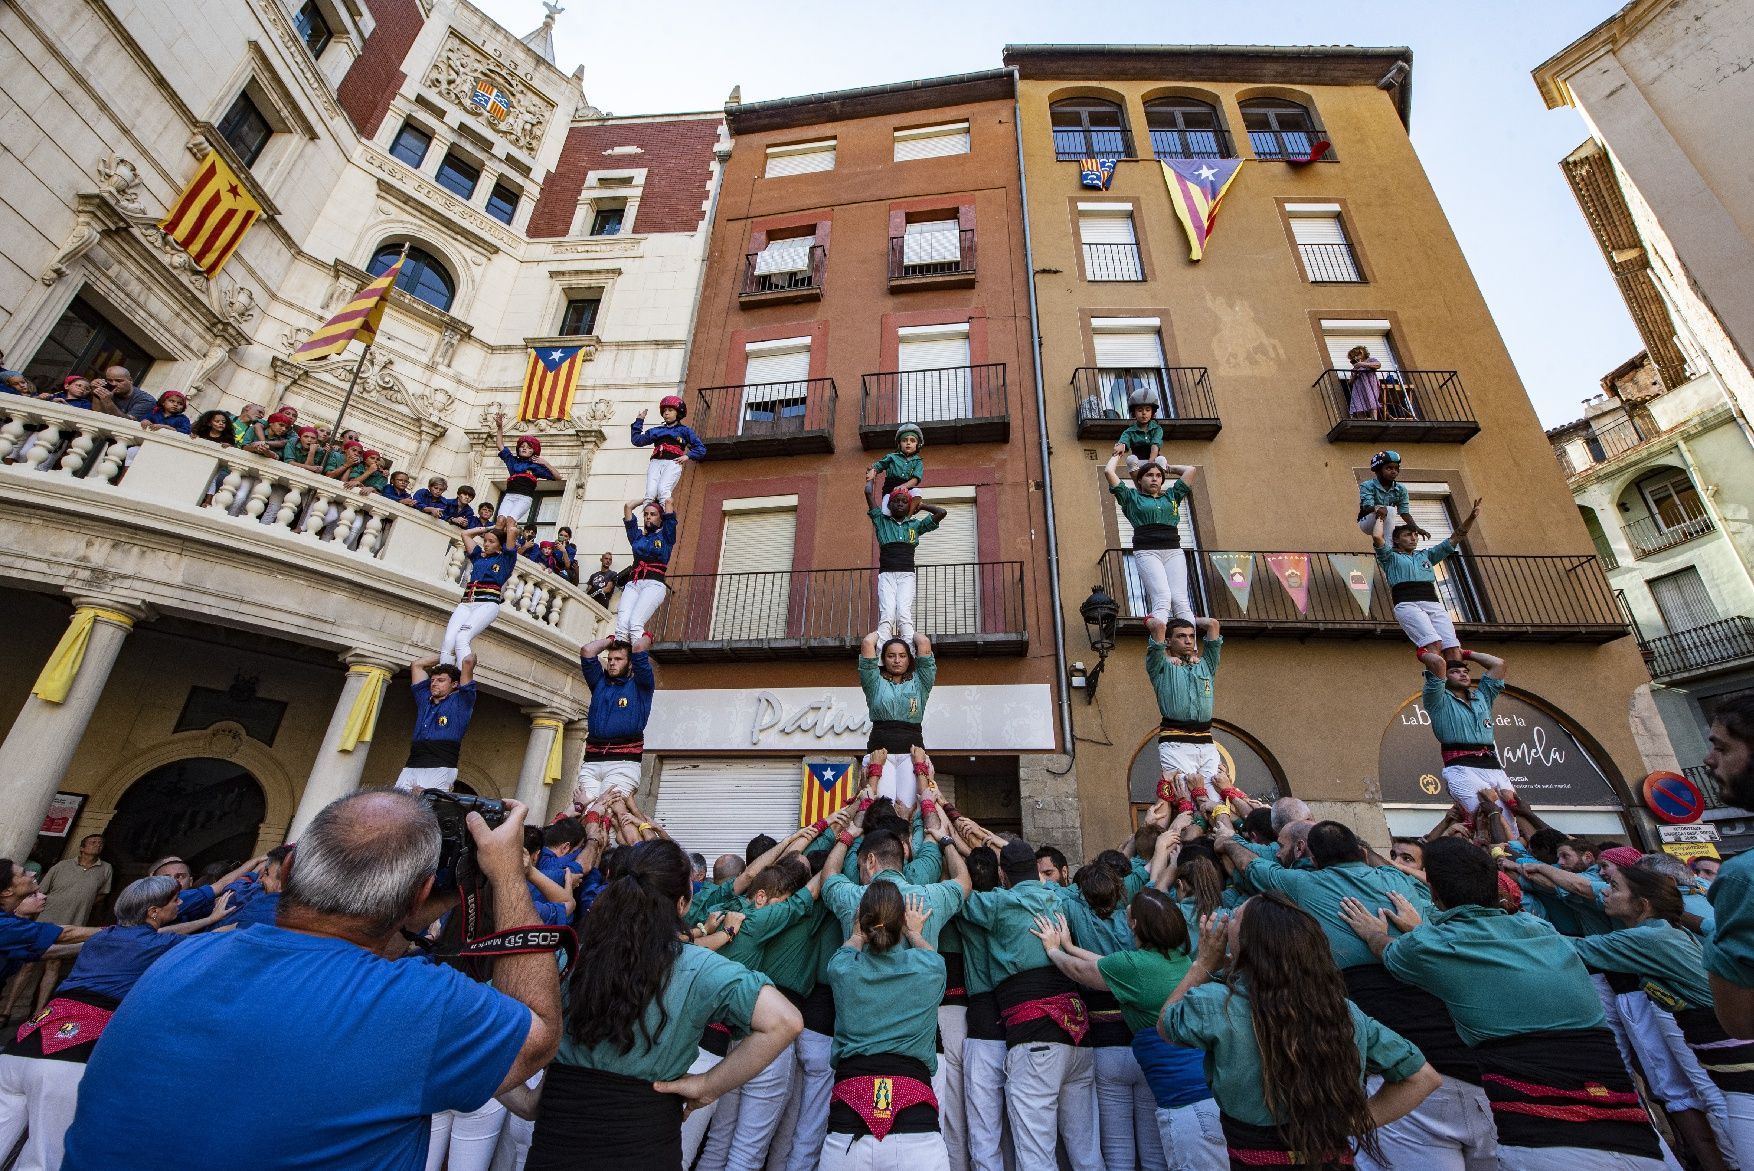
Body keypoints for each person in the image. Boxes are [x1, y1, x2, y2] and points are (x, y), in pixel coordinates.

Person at [62, 791, 562, 1171]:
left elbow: (342, 950)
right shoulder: (416, 1004)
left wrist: (408, 907)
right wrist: (506, 877)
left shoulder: (187, 956)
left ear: (293, 866)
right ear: (421, 894)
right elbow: (536, 1032)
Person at [1344, 836, 1664, 1171]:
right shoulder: (1539, 928)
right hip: (1636, 1136)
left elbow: (1389, 950)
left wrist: (1373, 933)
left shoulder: (1432, 946)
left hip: (1544, 1143)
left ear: (1434, 893)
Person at [1215, 819, 1492, 1171]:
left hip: (1400, 1079)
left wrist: (1226, 840)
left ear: (1309, 856)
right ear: (1361, 851)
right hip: (1469, 1067)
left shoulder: (1303, 885)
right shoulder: (1403, 883)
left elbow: (1254, 866)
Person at [524, 839, 801, 1171]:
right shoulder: (698, 966)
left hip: (555, 1145)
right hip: (647, 1146)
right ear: (682, 904)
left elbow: (491, 1015)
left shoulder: (566, 956)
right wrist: (707, 1086)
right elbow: (785, 1021)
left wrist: (514, 1089)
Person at [1160, 892, 1440, 1168]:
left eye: (1234, 916)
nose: (1226, 919)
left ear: (1250, 942)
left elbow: (1165, 1025)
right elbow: (1423, 1077)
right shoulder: (1341, 1010)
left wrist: (1203, 964)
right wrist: (1354, 1121)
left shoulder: (1217, 1004)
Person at [0, 875, 228, 1171]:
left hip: (23, 1045)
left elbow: (157, 934)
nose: (181, 903)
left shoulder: (101, 937)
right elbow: (209, 938)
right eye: (175, 900)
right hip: (70, 1055)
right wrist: (220, 920)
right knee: (44, 1160)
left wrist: (207, 917)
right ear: (153, 912)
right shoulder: (162, 944)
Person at [1564, 861, 1745, 1170]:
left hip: (1734, 1055)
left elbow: (1568, 948)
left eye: (1616, 888)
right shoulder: (1662, 928)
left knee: (1722, 1106)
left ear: (1642, 904)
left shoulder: (1649, 938)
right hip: (1722, 1049)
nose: (1605, 891)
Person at [1033, 886, 1221, 1171]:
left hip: (1185, 1109)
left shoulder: (1136, 965)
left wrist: (1054, 951)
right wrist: (1070, 948)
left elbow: (1081, 972)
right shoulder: (1179, 961)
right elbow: (1108, 966)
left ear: (1136, 925)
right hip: (1203, 1100)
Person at [958, 838, 1102, 1171]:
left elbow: (959, 894)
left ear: (1003, 875)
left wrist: (954, 844)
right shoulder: (1059, 896)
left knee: (1035, 1155)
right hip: (1080, 1035)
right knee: (1086, 1153)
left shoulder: (999, 903)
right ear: (1039, 872)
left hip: (1037, 1039)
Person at [819, 887, 949, 1170]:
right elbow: (934, 960)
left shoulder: (842, 969)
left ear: (861, 921)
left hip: (847, 1134)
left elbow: (847, 950)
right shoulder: (930, 969)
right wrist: (914, 932)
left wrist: (857, 933)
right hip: (918, 1136)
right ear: (902, 921)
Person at [1420, 649, 1520, 832]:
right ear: (1445, 678)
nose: (1463, 674)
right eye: (1455, 672)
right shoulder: (1437, 699)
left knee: (1512, 822)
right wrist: (1423, 652)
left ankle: (1512, 857)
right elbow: (1438, 664)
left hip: (1494, 766)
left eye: (1465, 672)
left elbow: (1499, 664)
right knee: (1482, 818)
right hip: (1461, 766)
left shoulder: (1482, 696)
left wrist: (1465, 653)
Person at [1373, 498, 1481, 664]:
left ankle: (1454, 683)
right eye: (1408, 535)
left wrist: (1471, 518)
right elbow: (1377, 537)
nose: (1413, 538)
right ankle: (1436, 683)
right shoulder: (1389, 557)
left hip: (1433, 602)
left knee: (1452, 647)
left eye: (1415, 535)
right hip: (1407, 604)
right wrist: (1380, 518)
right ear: (1396, 540)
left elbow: (1456, 537)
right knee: (1433, 643)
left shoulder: (1427, 555)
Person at [1705, 695, 1754, 1038]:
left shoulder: (1742, 878)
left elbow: (1740, 1021)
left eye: (1721, 749)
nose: (1709, 761)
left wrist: (1712, 933)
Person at [23, 834, 113, 1015]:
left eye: (101, 843)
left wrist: (82, 902)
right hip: (47, 917)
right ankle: (8, 1008)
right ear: (82, 847)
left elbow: (103, 893)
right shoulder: (62, 866)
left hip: (75, 920)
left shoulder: (105, 869)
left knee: (54, 964)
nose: (98, 845)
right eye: (93, 842)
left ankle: (38, 1012)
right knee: (28, 963)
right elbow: (41, 890)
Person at [1106, 453, 1197, 627]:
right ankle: (1160, 644)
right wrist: (1117, 454)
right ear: (1139, 480)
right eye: (1149, 475)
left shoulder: (1172, 496)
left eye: (1158, 476)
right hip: (1147, 552)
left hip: (1173, 551)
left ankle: (1191, 650)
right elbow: (1109, 472)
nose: (1154, 479)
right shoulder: (1131, 498)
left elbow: (1190, 470)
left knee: (1181, 602)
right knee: (1162, 599)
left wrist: (1167, 468)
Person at [865, 469, 947, 645]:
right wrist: (871, 478)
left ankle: (909, 651)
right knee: (887, 614)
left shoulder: (915, 525)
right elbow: (868, 493)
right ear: (890, 505)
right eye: (896, 501)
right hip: (886, 575)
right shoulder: (881, 521)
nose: (900, 504)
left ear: (909, 505)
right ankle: (881, 654)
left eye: (904, 502)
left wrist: (921, 505)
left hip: (907, 575)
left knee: (904, 613)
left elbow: (941, 512)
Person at [571, 635, 655, 802]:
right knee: (583, 812)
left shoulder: (641, 685)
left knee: (609, 812)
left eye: (618, 659)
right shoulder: (599, 682)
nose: (612, 662)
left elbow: (638, 649)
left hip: (623, 763)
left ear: (630, 663)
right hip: (592, 762)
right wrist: (611, 640)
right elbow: (587, 651)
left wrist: (647, 637)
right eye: (609, 659)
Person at [857, 630, 936, 807]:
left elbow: (923, 643)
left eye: (902, 655)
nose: (897, 660)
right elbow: (868, 644)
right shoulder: (874, 681)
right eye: (891, 656)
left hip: (912, 754)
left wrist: (907, 632)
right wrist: (883, 631)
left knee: (910, 807)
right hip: (880, 753)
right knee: (881, 808)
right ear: (883, 659)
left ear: (909, 659)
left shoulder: (920, 681)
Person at [1148, 616, 1223, 789]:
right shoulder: (1161, 666)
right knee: (1187, 798)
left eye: (1191, 636)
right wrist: (1150, 620)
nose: (1188, 641)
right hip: (1176, 743)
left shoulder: (1206, 665)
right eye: (1181, 636)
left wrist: (1190, 617)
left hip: (1206, 742)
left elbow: (1213, 625)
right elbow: (1158, 626)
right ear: (1168, 641)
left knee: (1215, 800)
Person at [395, 654, 478, 793]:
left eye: (441, 680)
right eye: (433, 680)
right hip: (413, 763)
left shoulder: (462, 701)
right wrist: (446, 654)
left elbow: (469, 661)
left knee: (428, 808)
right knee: (397, 805)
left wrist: (460, 645)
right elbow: (417, 665)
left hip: (441, 764)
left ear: (454, 684)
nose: (434, 683)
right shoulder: (424, 699)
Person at [442, 526, 516, 668]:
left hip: (487, 604)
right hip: (466, 603)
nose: (486, 544)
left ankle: (462, 677)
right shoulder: (478, 556)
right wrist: (489, 528)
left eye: (491, 541)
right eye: (485, 541)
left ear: (500, 545)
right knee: (448, 640)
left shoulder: (505, 560)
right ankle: (446, 675)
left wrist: (504, 530)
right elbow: (465, 534)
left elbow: (512, 531)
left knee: (462, 638)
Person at [616, 499, 676, 645]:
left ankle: (637, 663)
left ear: (661, 518)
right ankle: (621, 661)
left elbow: (669, 504)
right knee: (622, 626)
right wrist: (647, 498)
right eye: (646, 514)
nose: (648, 517)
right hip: (633, 583)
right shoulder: (637, 537)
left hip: (654, 584)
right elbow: (628, 507)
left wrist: (663, 500)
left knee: (635, 624)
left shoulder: (666, 537)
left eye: (653, 514)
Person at [491, 410, 560, 536]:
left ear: (533, 452)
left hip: (524, 498)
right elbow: (500, 445)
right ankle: (496, 545)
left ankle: (510, 546)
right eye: (522, 446)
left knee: (511, 521)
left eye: (528, 447)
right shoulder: (512, 462)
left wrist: (545, 463)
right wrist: (500, 427)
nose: (524, 448)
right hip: (509, 496)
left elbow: (558, 477)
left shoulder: (535, 467)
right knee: (500, 521)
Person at [631, 394, 705, 509]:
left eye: (670, 410)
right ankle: (648, 523)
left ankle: (666, 520)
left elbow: (701, 449)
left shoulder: (684, 431)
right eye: (664, 410)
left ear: (678, 413)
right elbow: (637, 441)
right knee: (650, 494)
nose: (666, 413)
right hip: (655, 462)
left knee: (663, 490)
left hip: (673, 462)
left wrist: (687, 456)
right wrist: (639, 421)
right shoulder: (656, 431)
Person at [1357, 451, 1421, 539]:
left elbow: (1404, 512)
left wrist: (1416, 527)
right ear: (1378, 470)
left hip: (1385, 521)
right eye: (1389, 468)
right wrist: (1378, 508)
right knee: (1390, 510)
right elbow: (1367, 507)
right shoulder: (1367, 485)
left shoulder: (1401, 489)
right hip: (1367, 521)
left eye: (1396, 468)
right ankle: (1389, 545)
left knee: (1400, 530)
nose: (1394, 471)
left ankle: (1386, 548)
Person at [1114, 387, 1169, 477]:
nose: (1144, 413)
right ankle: (1139, 485)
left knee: (1162, 460)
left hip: (1153, 461)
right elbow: (1123, 442)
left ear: (1152, 412)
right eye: (1140, 410)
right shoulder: (1129, 431)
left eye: (1147, 410)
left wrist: (1150, 465)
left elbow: (1155, 446)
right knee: (1130, 459)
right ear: (1134, 413)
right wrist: (1120, 446)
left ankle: (1157, 485)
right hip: (1138, 464)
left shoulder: (1157, 429)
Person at [871, 423, 925, 511]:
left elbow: (916, 479)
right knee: (885, 511)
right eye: (904, 440)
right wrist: (872, 471)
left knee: (917, 493)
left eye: (912, 440)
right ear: (899, 444)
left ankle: (908, 515)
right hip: (890, 488)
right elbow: (879, 465)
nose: (908, 443)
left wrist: (904, 486)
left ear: (917, 444)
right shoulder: (892, 457)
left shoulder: (918, 462)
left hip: (907, 488)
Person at [84, 366, 154, 420]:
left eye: (119, 381)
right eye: (110, 380)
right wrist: (96, 393)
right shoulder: (107, 389)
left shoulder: (146, 400)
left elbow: (125, 422)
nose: (114, 384)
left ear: (130, 380)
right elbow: (97, 414)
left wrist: (108, 401)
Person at [1347, 345, 1384, 419]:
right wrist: (1355, 374)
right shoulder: (1355, 368)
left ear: (1361, 353)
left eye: (1354, 356)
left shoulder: (1370, 360)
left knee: (1371, 403)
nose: (1354, 359)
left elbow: (1378, 365)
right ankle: (1363, 423)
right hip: (1358, 389)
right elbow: (1350, 382)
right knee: (1358, 406)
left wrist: (1362, 364)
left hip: (1369, 386)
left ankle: (1374, 421)